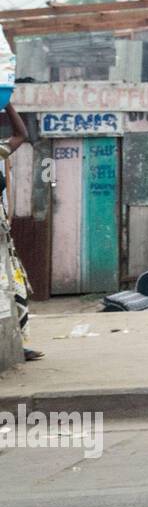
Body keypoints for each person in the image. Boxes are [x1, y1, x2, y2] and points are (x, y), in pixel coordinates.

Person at [0, 102, 41, 361]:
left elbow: (21, 136)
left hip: (2, 235)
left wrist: (7, 103)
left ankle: (15, 345)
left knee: (14, 290)